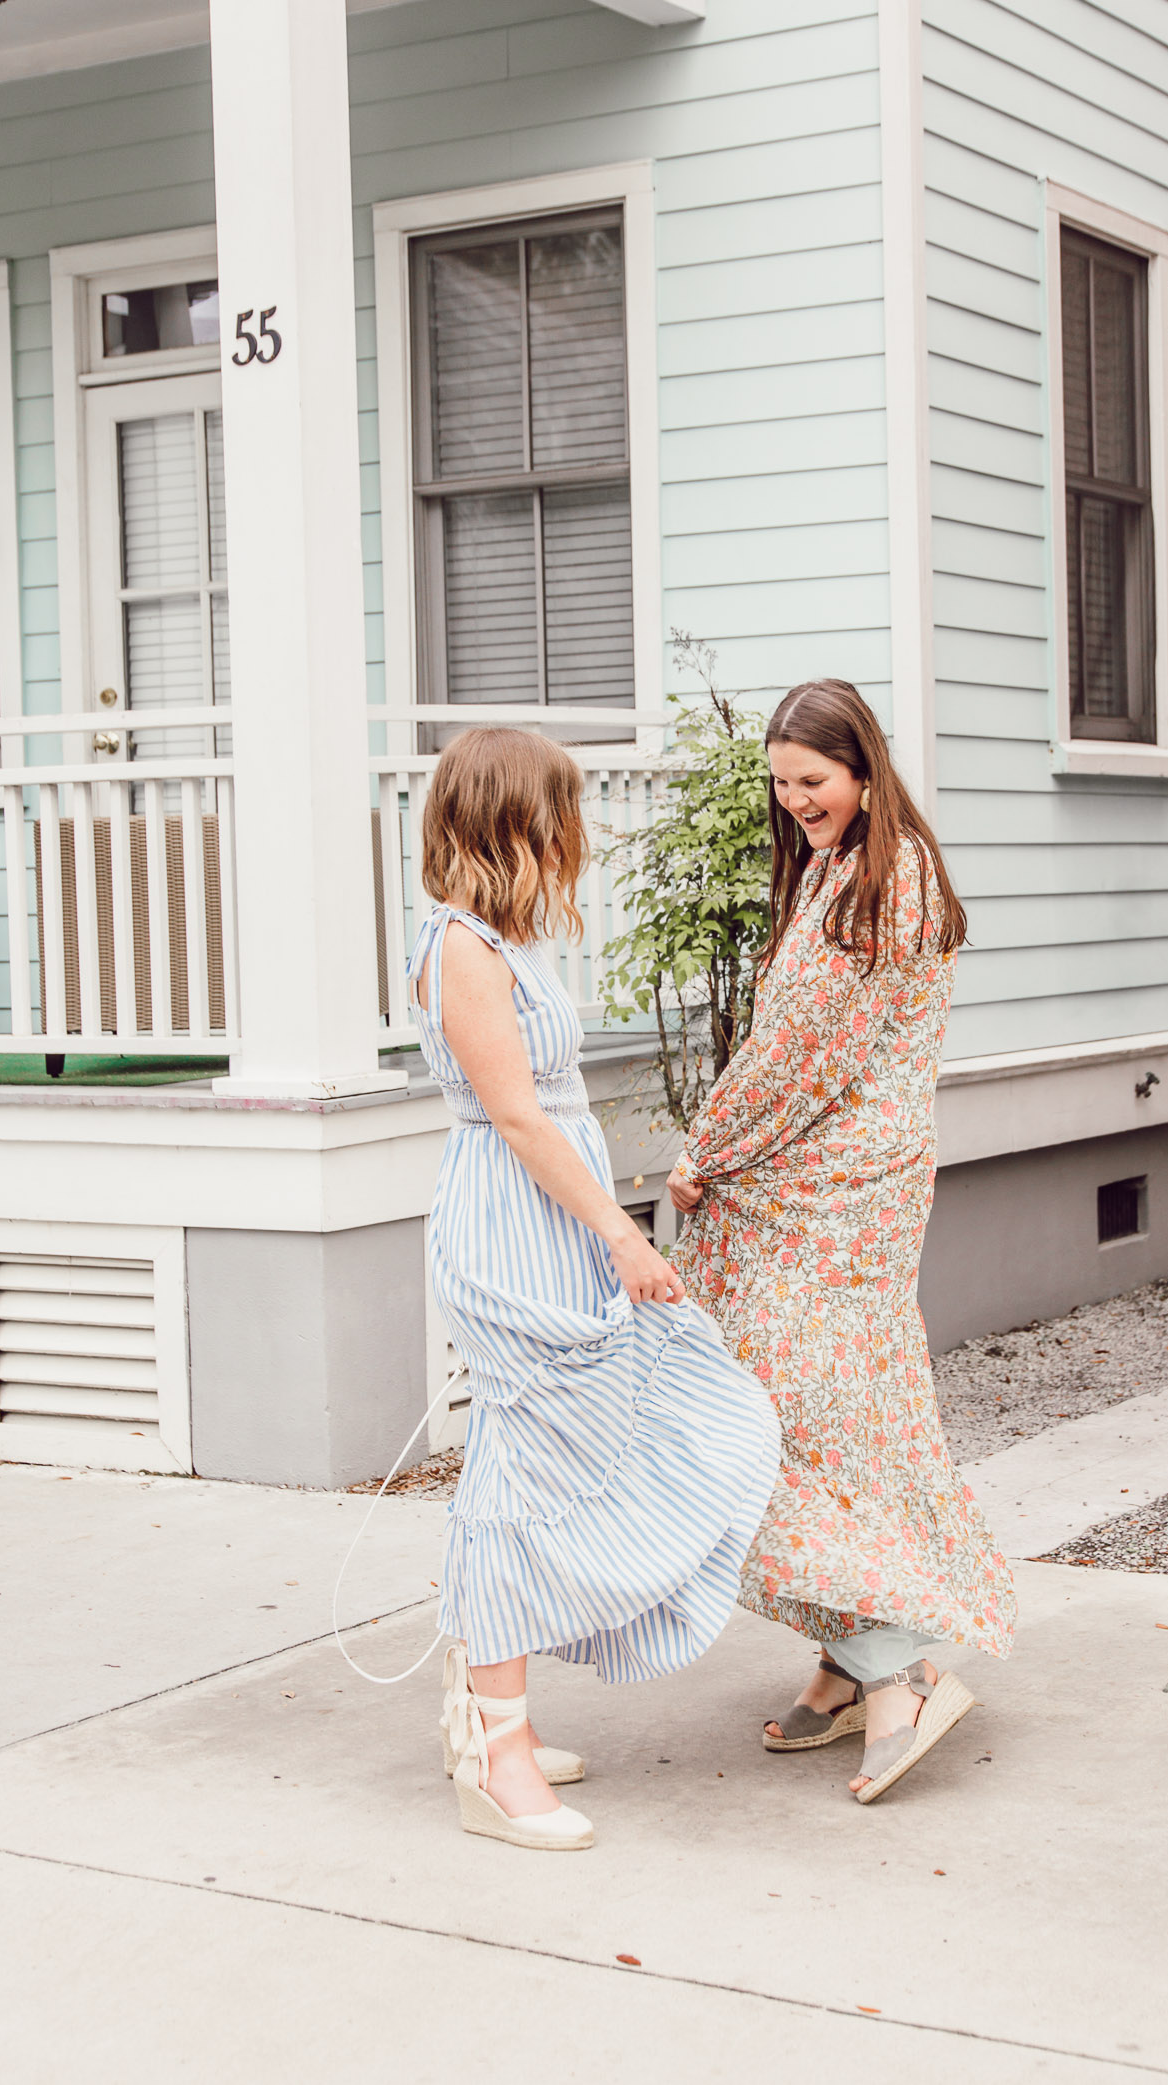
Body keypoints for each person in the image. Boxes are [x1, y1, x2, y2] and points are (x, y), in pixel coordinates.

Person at [410, 727, 781, 1852]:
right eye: (559, 810)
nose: (574, 831)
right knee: (519, 1474)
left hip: (549, 1223)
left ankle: (483, 1719)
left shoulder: (502, 940)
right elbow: (518, 1117)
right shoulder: (460, 945)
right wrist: (621, 1233)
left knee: (533, 1460)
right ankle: (497, 1753)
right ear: (514, 818)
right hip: (513, 1229)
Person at [666, 680, 1016, 1804]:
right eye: (779, 782)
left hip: (832, 1193)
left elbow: (795, 1059)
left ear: (861, 767)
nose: (793, 799)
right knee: (834, 1415)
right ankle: (842, 1663)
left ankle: (893, 1666)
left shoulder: (883, 880)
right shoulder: (849, 865)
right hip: (839, 1186)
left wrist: (705, 1149)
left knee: (778, 1421)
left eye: (809, 780)